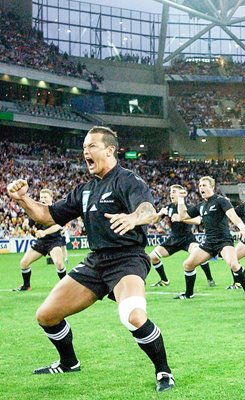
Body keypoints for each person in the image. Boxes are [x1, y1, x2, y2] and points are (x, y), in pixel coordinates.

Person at [7, 126, 174, 392]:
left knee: (132, 315)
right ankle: (68, 362)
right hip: (96, 262)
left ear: (110, 150)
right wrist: (23, 199)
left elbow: (148, 211)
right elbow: (47, 215)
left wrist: (134, 218)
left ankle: (164, 372)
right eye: (84, 147)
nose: (85, 151)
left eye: (92, 146)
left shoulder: (128, 180)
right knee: (46, 315)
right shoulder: (85, 189)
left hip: (127, 259)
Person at [174, 176, 245, 301]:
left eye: (204, 185)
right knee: (187, 265)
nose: (201, 188)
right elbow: (183, 215)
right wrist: (180, 199)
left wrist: (242, 228)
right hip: (209, 242)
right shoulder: (201, 206)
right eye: (200, 185)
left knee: (234, 265)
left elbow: (232, 215)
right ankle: (188, 294)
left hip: (223, 241)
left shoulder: (221, 200)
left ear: (212, 187)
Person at [149, 184, 215, 288]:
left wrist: (182, 218)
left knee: (199, 255)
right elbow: (153, 221)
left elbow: (198, 221)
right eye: (171, 192)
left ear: (181, 194)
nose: (171, 194)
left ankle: (210, 278)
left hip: (187, 239)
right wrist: (159, 214)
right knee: (152, 257)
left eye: (174, 192)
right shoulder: (168, 208)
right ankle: (164, 280)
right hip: (173, 239)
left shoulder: (187, 207)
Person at [13, 189, 67, 291]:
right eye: (41, 197)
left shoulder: (56, 210)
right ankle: (26, 286)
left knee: (59, 263)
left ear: (51, 198)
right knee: (24, 263)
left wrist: (44, 232)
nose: (42, 199)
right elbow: (28, 225)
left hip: (54, 241)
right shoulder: (37, 211)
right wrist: (25, 225)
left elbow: (58, 226)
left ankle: (66, 287)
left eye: (45, 197)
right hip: (41, 242)